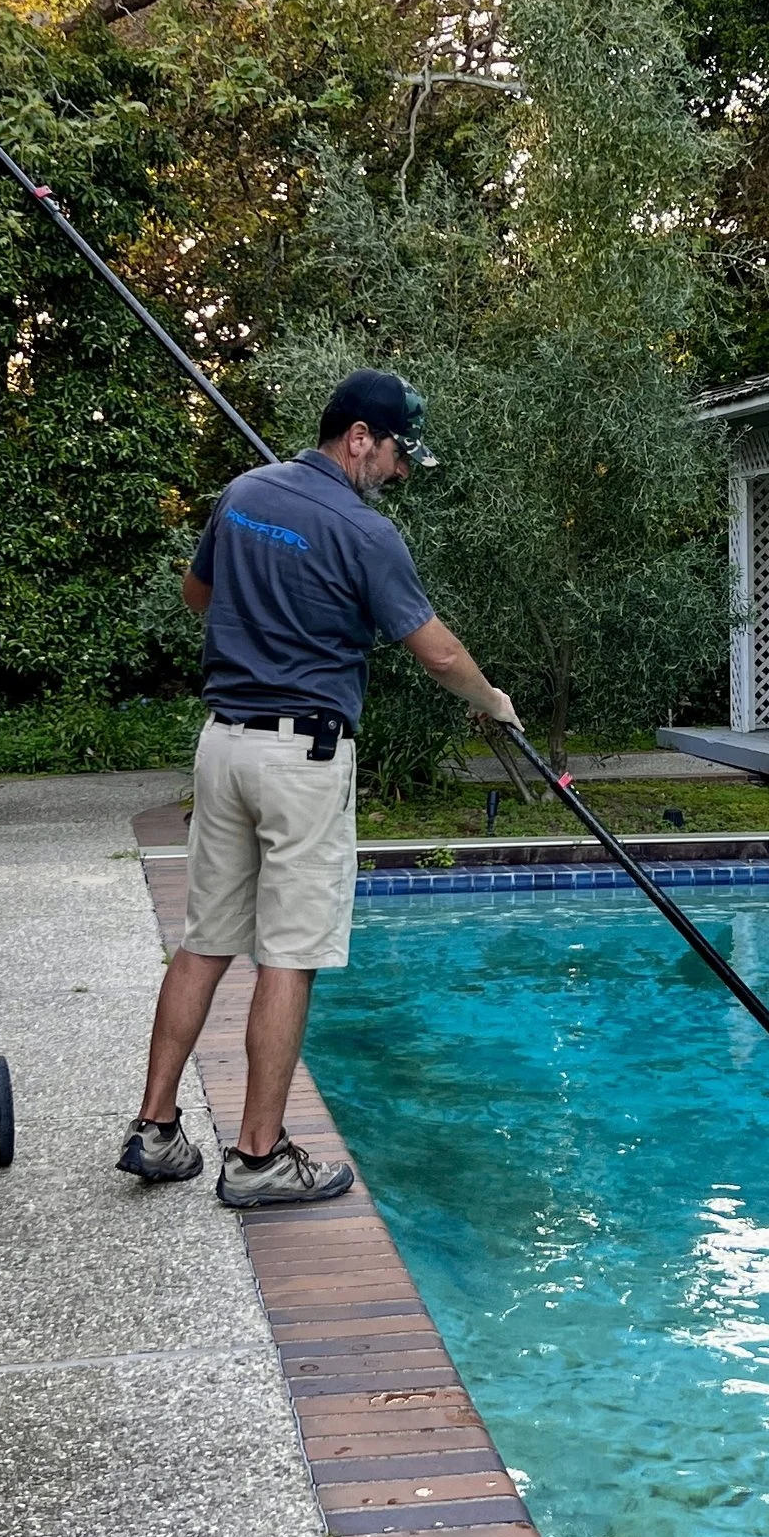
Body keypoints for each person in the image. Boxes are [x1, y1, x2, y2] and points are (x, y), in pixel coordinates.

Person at [116, 368, 521, 1206]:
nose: (402, 472)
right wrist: (492, 700)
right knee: (290, 953)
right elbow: (437, 652)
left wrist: (267, 612)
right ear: (361, 437)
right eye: (400, 452)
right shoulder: (366, 533)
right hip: (301, 758)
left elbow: (199, 596)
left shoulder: (242, 492)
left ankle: (155, 1129)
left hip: (222, 743)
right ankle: (258, 1158)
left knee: (205, 939)